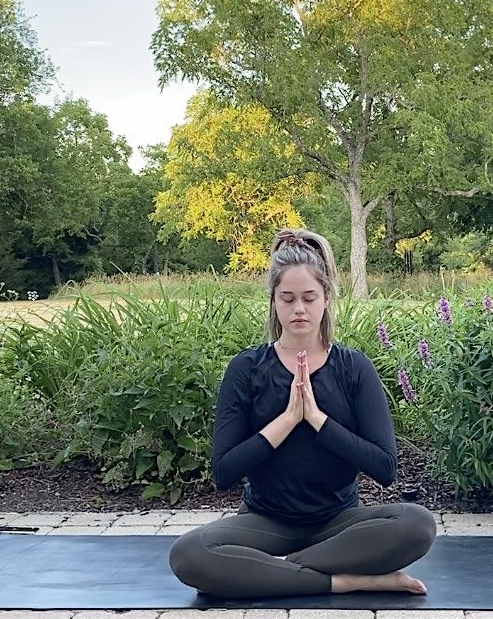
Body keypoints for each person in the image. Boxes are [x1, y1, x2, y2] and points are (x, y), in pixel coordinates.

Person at [168, 228, 436, 599]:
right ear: (274, 302)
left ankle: (267, 573)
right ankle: (346, 580)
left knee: (417, 524)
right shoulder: (246, 369)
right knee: (189, 555)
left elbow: (385, 468)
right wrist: (288, 419)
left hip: (338, 524)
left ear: (325, 298)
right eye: (287, 298)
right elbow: (224, 472)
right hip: (265, 522)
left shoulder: (354, 368)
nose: (298, 309)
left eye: (309, 298)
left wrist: (317, 419)